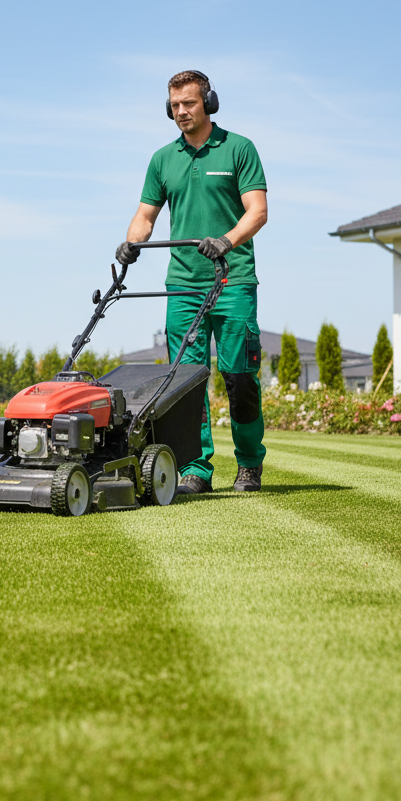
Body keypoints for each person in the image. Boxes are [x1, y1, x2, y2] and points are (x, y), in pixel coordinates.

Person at [116, 70, 268, 493]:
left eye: (189, 103)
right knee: (184, 383)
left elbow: (257, 211)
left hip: (233, 280)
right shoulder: (163, 159)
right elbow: (145, 216)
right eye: (174, 106)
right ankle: (196, 470)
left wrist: (227, 241)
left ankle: (250, 464)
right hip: (183, 286)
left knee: (240, 379)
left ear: (209, 103)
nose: (181, 112)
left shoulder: (239, 149)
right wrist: (131, 243)